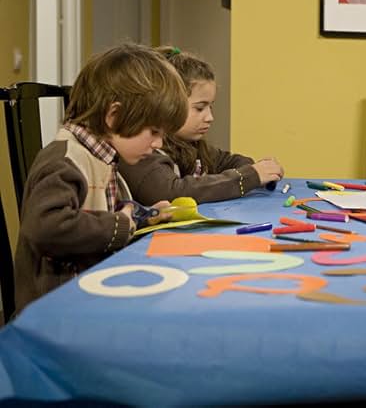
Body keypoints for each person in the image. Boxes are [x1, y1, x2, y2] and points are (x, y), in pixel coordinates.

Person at [14, 44, 189, 312]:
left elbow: (102, 211)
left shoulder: (104, 157)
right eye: (153, 131)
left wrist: (145, 215)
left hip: (86, 296)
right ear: (114, 116)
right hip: (58, 311)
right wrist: (120, 226)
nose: (158, 144)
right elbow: (45, 225)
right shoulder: (65, 160)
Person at [119, 47, 284, 205]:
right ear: (168, 104)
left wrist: (257, 169)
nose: (210, 117)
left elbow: (226, 161)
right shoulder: (142, 148)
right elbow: (171, 192)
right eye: (199, 108)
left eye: (210, 107)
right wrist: (247, 177)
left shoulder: (191, 145)